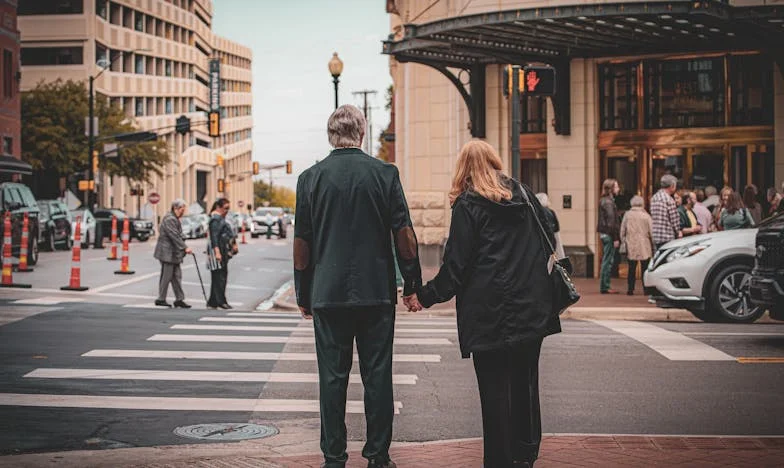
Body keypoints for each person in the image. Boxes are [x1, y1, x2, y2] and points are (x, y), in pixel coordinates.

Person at [410, 140, 560, 468]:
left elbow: (455, 269)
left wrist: (423, 296)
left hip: (490, 315)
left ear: (462, 169)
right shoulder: (525, 195)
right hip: (531, 310)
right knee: (526, 385)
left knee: (495, 394)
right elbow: (548, 239)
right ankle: (526, 454)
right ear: (495, 162)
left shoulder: (468, 204)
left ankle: (500, 460)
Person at [294, 105, 422, 468]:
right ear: (362, 134)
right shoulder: (384, 174)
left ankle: (334, 457)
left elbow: (302, 241)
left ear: (330, 135)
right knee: (378, 377)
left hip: (328, 294)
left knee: (332, 380)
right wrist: (412, 284)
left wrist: (304, 292)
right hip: (376, 294)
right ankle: (378, 456)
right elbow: (404, 234)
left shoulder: (310, 179)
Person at [153, 198, 192, 308]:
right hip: (167, 253)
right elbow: (174, 236)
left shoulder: (174, 218)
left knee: (176, 276)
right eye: (182, 210)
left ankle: (179, 299)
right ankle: (161, 298)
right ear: (175, 208)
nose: (183, 212)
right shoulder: (170, 219)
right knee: (167, 276)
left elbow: (177, 234)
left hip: (173, 253)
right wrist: (185, 247)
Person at [206, 198, 237, 309]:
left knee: (219, 276)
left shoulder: (221, 219)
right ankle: (220, 301)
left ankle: (213, 301)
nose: (227, 211)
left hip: (222, 250)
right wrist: (217, 252)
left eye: (228, 208)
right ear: (218, 207)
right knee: (219, 277)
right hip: (218, 251)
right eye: (225, 208)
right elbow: (214, 237)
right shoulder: (215, 220)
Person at [620, 195, 653, 296]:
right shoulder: (646, 216)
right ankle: (646, 289)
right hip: (644, 244)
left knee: (631, 268)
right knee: (645, 268)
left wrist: (624, 240)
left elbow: (622, 230)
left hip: (631, 244)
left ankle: (630, 289)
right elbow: (651, 231)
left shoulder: (627, 215)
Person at [597, 179, 620, 294]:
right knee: (608, 261)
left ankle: (605, 286)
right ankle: (605, 286)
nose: (618, 189)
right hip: (609, 234)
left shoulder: (604, 201)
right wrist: (616, 237)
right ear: (611, 188)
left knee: (606, 260)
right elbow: (611, 222)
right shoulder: (608, 202)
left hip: (604, 233)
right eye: (616, 187)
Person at [650, 174, 682, 251]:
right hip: (667, 236)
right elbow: (674, 220)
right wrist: (678, 232)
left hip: (656, 235)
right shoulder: (669, 200)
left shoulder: (654, 197)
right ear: (672, 186)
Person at [535, 192, 565, 260]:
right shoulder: (551, 212)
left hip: (539, 246)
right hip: (551, 245)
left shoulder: (536, 212)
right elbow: (556, 231)